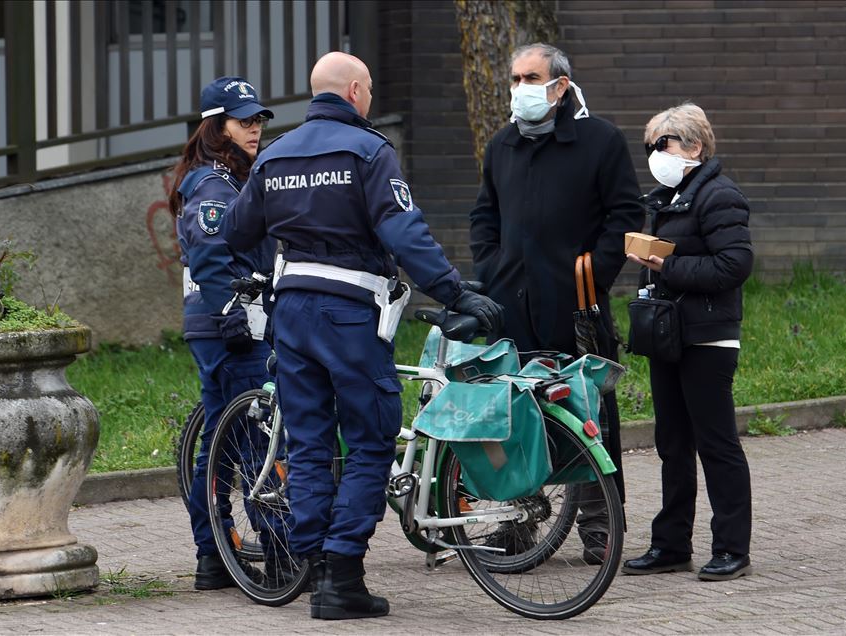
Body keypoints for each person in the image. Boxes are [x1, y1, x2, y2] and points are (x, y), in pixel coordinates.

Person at [221, 52, 502, 620]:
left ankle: (314, 567)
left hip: (291, 315)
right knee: (371, 440)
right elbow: (404, 232)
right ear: (354, 91)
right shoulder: (368, 151)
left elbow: (235, 230)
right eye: (368, 88)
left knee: (308, 443)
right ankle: (343, 572)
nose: (369, 97)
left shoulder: (275, 154)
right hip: (349, 316)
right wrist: (454, 292)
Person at [468, 42, 644, 562]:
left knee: (589, 415)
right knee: (517, 419)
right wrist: (491, 269)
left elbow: (625, 215)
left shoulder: (599, 140)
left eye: (531, 78)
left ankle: (599, 526)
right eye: (515, 78)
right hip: (512, 306)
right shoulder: (502, 145)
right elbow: (484, 216)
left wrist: (591, 274)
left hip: (576, 307)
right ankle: (517, 527)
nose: (519, 88)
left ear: (560, 86)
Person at [622, 102, 753, 581]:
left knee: (716, 444)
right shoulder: (670, 197)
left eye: (663, 144)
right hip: (671, 336)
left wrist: (666, 266)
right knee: (673, 444)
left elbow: (734, 265)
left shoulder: (719, 196)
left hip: (707, 339)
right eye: (650, 146)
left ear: (695, 147)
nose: (654, 154)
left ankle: (732, 548)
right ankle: (671, 544)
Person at [168, 76, 281, 590]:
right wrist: (233, 311)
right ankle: (280, 554)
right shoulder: (214, 184)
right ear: (218, 128)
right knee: (256, 438)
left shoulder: (231, 178)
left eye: (258, 120)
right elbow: (210, 256)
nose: (254, 129)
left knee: (220, 442)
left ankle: (213, 557)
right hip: (229, 328)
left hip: (222, 324)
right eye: (243, 121)